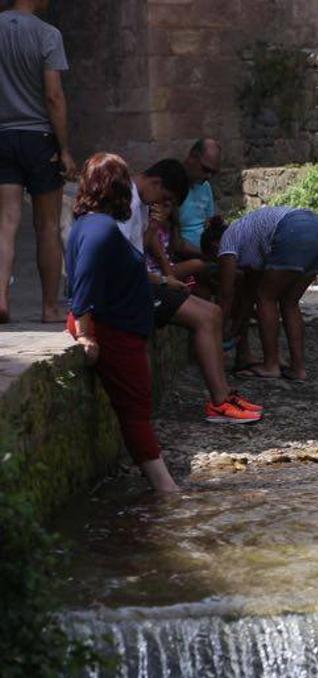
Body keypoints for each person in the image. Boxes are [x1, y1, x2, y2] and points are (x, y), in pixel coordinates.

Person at [65, 153, 177, 493]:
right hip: (114, 332)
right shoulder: (100, 230)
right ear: (115, 189)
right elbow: (82, 281)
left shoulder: (92, 224)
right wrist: (86, 334)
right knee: (136, 412)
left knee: (136, 408)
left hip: (122, 329)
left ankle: (162, 486)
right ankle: (166, 491)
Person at [132, 159, 259, 423]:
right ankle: (219, 403)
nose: (161, 205)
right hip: (133, 288)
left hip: (145, 280)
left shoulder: (142, 203)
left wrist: (166, 272)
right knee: (203, 317)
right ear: (156, 183)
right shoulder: (131, 203)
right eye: (164, 198)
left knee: (212, 312)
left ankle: (223, 395)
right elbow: (126, 262)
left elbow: (141, 248)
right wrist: (164, 281)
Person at [0, 0, 77, 324]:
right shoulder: (48, 34)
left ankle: (1, 297)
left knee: (6, 222)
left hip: (2, 135)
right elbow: (53, 96)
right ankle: (49, 307)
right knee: (46, 225)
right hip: (38, 139)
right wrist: (65, 148)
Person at [206, 205, 318, 381]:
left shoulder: (227, 240)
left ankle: (270, 365)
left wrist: (216, 332)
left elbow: (226, 294)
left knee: (266, 298)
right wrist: (236, 329)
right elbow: (247, 298)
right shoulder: (250, 242)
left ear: (214, 247)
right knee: (289, 302)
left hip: (294, 229)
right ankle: (298, 369)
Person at [179, 138, 220, 253]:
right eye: (206, 169)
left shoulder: (205, 186)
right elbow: (173, 241)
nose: (209, 176)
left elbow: (209, 221)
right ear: (193, 157)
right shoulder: (173, 185)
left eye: (213, 172)